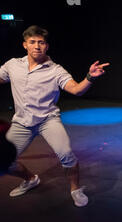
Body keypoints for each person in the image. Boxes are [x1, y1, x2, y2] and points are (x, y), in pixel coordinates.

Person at [0, 25, 109, 206]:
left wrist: (90, 77)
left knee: (66, 154)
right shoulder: (12, 65)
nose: (37, 46)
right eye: (32, 42)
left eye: (41, 42)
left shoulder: (55, 70)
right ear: (24, 45)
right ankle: (30, 179)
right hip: (21, 122)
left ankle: (75, 189)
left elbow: (76, 89)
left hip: (47, 120)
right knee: (3, 159)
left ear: (47, 46)